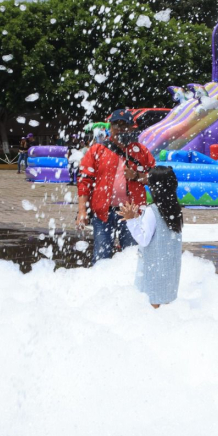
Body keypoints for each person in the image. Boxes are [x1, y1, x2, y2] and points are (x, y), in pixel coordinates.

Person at [76, 110, 156, 265]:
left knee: (132, 257)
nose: (119, 128)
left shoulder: (141, 152)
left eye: (124, 124)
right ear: (110, 127)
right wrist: (82, 211)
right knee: (101, 257)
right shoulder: (97, 150)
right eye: (116, 124)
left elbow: (156, 178)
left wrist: (137, 177)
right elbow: (84, 181)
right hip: (102, 212)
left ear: (132, 128)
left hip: (132, 213)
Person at [119, 166, 183, 308]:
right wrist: (138, 218)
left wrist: (131, 220)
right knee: (166, 309)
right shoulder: (175, 209)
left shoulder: (152, 210)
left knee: (152, 310)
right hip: (170, 271)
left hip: (154, 271)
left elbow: (144, 239)